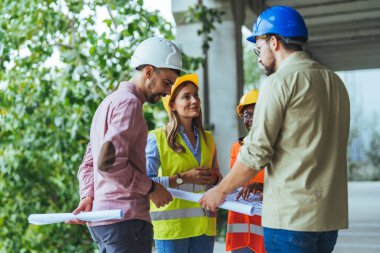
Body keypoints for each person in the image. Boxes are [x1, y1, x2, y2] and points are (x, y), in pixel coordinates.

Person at [199, 5, 350, 253]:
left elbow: (256, 152)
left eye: (259, 48)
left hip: (291, 220)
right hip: (328, 218)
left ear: (274, 42)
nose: (259, 57)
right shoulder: (335, 82)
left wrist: (220, 191)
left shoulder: (279, 82)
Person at [66, 37, 184, 253]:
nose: (168, 92)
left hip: (103, 221)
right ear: (149, 72)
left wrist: (88, 196)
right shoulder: (129, 104)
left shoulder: (108, 103)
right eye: (167, 82)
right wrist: (150, 187)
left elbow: (89, 164)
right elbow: (108, 164)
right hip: (125, 220)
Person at [145, 73, 221, 253]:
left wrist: (214, 177)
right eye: (186, 96)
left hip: (204, 226)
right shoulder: (157, 139)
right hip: (173, 229)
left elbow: (218, 178)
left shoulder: (208, 138)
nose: (194, 100)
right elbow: (145, 182)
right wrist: (184, 178)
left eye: (196, 95)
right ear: (172, 105)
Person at [226, 89, 265, 253]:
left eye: (255, 113)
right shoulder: (236, 147)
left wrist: (262, 187)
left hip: (266, 229)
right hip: (240, 231)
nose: (250, 119)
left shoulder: (278, 148)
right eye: (247, 115)